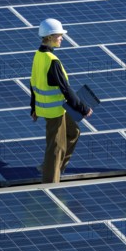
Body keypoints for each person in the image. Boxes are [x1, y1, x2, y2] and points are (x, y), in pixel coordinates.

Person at [30, 18, 93, 184]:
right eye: (59, 35)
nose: (62, 38)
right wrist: (83, 108)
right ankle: (50, 183)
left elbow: (33, 83)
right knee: (56, 148)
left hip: (51, 108)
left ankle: (54, 168)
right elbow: (66, 90)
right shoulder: (52, 61)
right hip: (54, 111)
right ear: (50, 37)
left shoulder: (39, 55)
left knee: (73, 133)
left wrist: (33, 107)